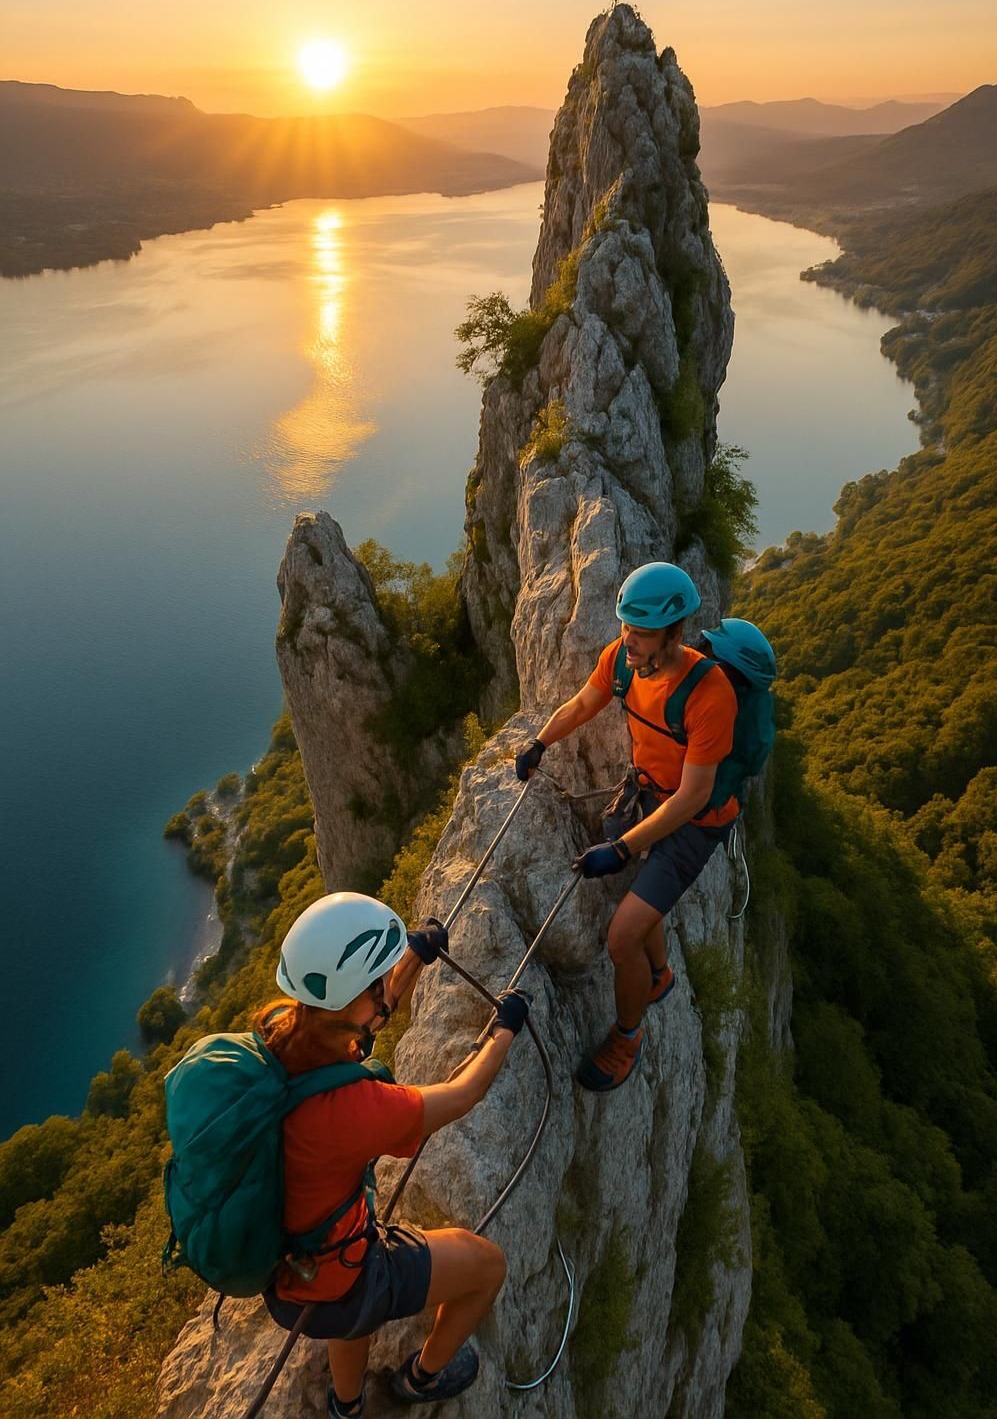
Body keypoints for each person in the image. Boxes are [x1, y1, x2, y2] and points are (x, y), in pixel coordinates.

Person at [258, 890, 531, 1414]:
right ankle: (422, 1379)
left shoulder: (280, 1039)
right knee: (486, 1266)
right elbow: (461, 1095)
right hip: (343, 1276)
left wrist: (414, 959)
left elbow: (364, 1023)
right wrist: (504, 1031)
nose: (385, 988)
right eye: (378, 981)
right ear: (356, 995)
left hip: (290, 1276)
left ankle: (348, 1404)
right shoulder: (355, 1108)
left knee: (346, 1312)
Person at [515, 562, 738, 1093]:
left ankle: (627, 1035)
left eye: (641, 632)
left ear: (675, 633)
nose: (628, 640)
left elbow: (694, 796)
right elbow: (584, 703)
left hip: (693, 823)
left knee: (621, 937)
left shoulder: (711, 694)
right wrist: (540, 743)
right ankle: (658, 975)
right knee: (636, 902)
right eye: (625, 627)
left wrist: (622, 847)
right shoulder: (621, 660)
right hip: (648, 794)